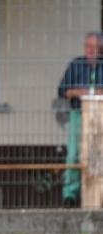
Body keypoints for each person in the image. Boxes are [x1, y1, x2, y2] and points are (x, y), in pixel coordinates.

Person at [57, 31, 103, 207]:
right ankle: (70, 194)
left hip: (101, 116)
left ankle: (99, 194)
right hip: (78, 114)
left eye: (94, 47)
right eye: (87, 46)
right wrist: (78, 91)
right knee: (73, 155)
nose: (90, 50)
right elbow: (62, 91)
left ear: (100, 49)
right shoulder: (76, 65)